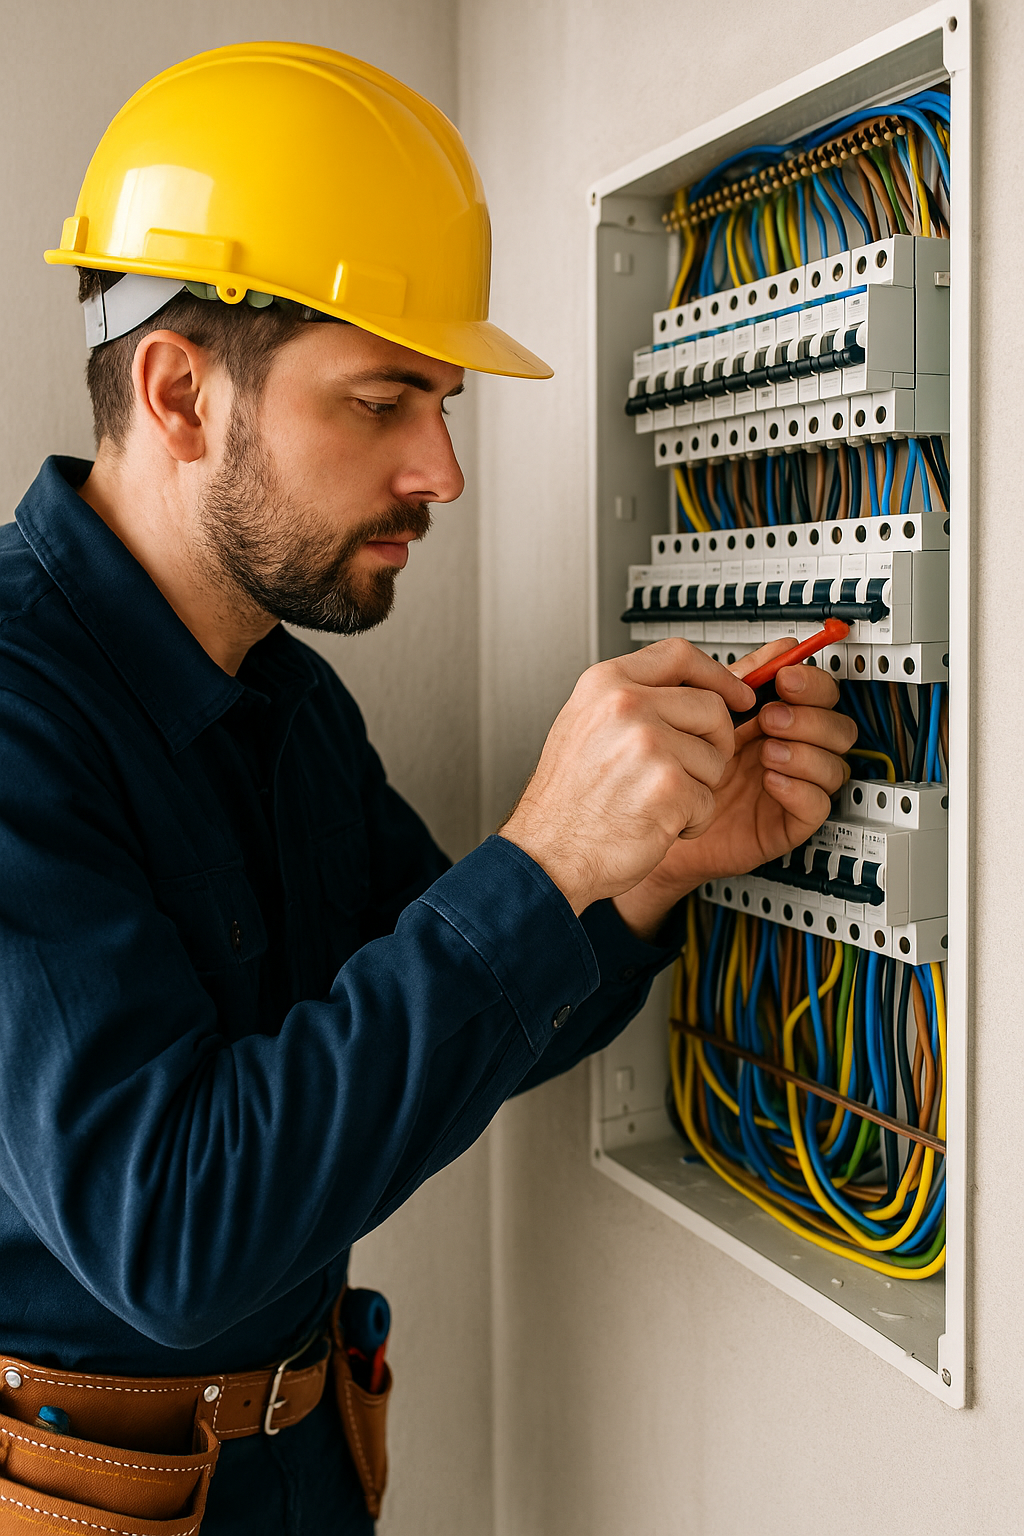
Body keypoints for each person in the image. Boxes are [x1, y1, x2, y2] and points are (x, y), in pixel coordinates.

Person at [0, 41, 856, 1536]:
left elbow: (454, 1023)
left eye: (441, 404)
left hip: (308, 1460)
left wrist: (641, 870)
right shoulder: (18, 713)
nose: (445, 471)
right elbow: (178, 1235)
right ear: (182, 390)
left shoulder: (285, 696)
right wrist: (537, 858)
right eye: (386, 401)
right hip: (95, 1497)